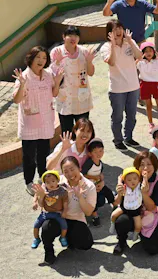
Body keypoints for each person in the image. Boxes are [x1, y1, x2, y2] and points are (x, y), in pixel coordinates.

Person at [14, 46, 62, 194]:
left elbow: (54, 93)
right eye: (38, 57)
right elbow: (17, 99)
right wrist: (22, 84)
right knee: (29, 156)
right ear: (31, 58)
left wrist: (58, 81)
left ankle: (43, 178)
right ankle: (29, 181)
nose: (41, 61)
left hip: (46, 122)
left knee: (44, 153)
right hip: (29, 125)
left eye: (44, 58)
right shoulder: (25, 76)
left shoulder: (47, 75)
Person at [33, 156, 96, 265]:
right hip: (57, 216)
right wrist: (40, 197)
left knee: (86, 244)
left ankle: (68, 237)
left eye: (72, 169)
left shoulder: (89, 186)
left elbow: (88, 212)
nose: (70, 174)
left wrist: (80, 197)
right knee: (46, 228)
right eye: (65, 171)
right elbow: (41, 199)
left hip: (76, 219)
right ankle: (49, 253)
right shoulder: (56, 181)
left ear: (79, 168)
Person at [113, 151, 158, 255]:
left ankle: (142, 234)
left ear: (155, 166)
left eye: (149, 164)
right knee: (121, 220)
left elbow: (152, 207)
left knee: (153, 249)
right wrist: (119, 193)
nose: (145, 168)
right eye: (142, 165)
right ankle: (121, 240)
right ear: (137, 167)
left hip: (148, 215)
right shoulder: (130, 177)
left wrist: (144, 194)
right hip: (130, 213)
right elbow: (116, 203)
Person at [102, 20, 142, 150]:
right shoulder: (106, 47)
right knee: (117, 116)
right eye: (114, 29)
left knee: (131, 115)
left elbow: (139, 56)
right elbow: (111, 62)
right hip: (117, 89)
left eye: (119, 28)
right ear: (109, 33)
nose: (118, 32)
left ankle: (128, 138)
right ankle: (118, 140)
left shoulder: (129, 43)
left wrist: (130, 41)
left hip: (133, 86)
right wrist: (113, 46)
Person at [50, 26, 95, 134]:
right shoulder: (57, 51)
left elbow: (91, 72)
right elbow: (52, 74)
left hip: (81, 95)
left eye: (76, 35)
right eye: (70, 35)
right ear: (64, 37)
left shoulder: (84, 51)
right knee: (67, 132)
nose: (73, 38)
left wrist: (89, 62)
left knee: (83, 130)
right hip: (65, 97)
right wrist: (57, 62)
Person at [31, 170, 68, 250]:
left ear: (58, 181)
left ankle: (63, 237)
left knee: (64, 226)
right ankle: (36, 238)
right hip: (46, 212)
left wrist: (65, 211)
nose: (50, 184)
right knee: (36, 225)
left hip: (58, 213)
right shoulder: (44, 190)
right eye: (47, 182)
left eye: (53, 181)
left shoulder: (62, 191)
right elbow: (36, 195)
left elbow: (65, 202)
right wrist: (34, 202)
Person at [111, 167, 143, 239]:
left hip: (136, 210)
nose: (132, 181)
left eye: (135, 179)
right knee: (113, 215)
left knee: (138, 226)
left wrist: (146, 178)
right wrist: (119, 181)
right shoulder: (124, 188)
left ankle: (135, 235)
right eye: (129, 180)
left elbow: (145, 186)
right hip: (124, 208)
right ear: (125, 181)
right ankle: (112, 225)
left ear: (139, 179)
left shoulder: (140, 187)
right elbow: (117, 199)